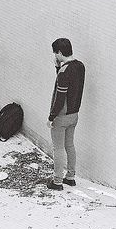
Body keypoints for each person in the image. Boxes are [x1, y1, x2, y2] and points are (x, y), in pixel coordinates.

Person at [46, 38, 85, 191]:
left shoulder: (64, 71)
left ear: (60, 53)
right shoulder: (80, 66)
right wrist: (58, 68)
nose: (55, 56)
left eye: (55, 53)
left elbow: (60, 97)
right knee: (70, 145)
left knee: (58, 148)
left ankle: (57, 182)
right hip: (74, 114)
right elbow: (69, 84)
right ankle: (70, 177)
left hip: (61, 116)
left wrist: (51, 117)